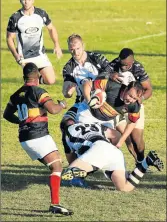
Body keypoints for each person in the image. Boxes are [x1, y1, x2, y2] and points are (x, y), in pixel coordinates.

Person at [3, 63, 73, 216]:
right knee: (57, 167)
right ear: (38, 76)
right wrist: (61, 104)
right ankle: (55, 204)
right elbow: (53, 110)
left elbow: (6, 115)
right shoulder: (38, 91)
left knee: (56, 166)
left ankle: (55, 203)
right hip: (38, 136)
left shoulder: (16, 95)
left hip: (25, 138)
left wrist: (22, 121)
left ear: (24, 77)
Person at [61, 122, 163, 192]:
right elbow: (116, 135)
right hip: (114, 152)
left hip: (99, 149)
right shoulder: (94, 125)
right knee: (124, 188)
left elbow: (71, 160)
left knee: (66, 175)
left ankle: (85, 173)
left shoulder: (66, 133)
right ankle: (146, 162)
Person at [61, 33, 113, 164]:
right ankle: (74, 168)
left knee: (116, 134)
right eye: (72, 49)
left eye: (77, 48)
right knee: (65, 126)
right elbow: (66, 91)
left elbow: (111, 73)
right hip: (81, 103)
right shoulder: (68, 67)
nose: (75, 52)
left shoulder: (97, 58)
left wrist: (95, 84)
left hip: (104, 101)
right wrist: (68, 91)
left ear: (83, 46)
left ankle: (137, 162)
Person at [6, 0, 62, 85]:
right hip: (25, 58)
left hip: (40, 54)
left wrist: (57, 45)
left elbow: (51, 29)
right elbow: (10, 38)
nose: (26, 2)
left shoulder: (41, 13)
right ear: (20, 0)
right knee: (32, 86)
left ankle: (37, 80)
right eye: (23, 0)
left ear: (33, 0)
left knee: (51, 80)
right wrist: (16, 56)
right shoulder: (15, 18)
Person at [109, 48, 153, 165]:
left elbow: (148, 89)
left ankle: (141, 159)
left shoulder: (138, 68)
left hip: (134, 106)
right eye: (121, 64)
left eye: (126, 65)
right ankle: (140, 164)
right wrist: (109, 75)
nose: (123, 67)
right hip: (117, 107)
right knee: (127, 139)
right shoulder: (112, 66)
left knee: (137, 139)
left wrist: (141, 98)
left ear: (132, 61)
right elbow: (100, 79)